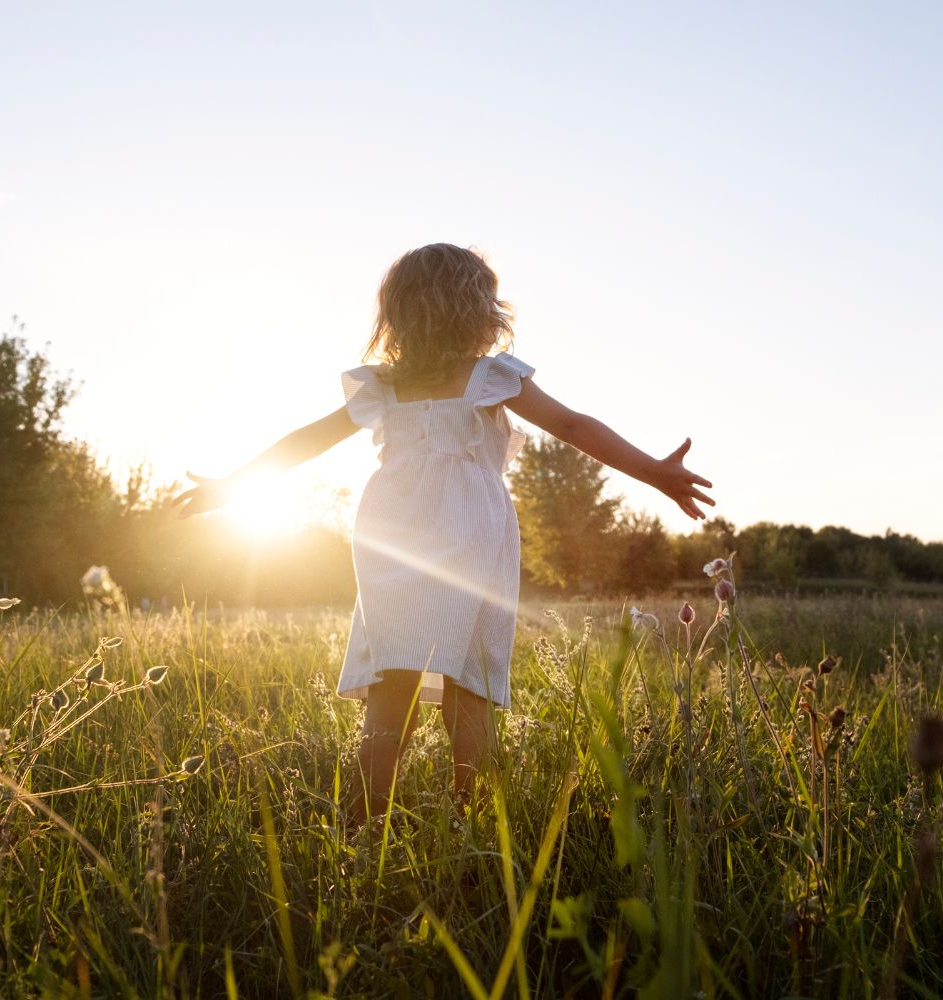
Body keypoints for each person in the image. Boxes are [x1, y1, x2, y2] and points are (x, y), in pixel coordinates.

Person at [173, 243, 714, 824]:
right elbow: (572, 425)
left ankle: (362, 827)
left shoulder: (387, 384)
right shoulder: (489, 376)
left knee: (394, 677)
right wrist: (654, 471)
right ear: (479, 309)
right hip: (472, 531)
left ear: (398, 314)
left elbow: (307, 439)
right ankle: (468, 823)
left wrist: (234, 485)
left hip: (391, 532)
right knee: (470, 681)